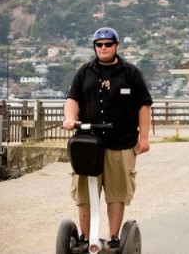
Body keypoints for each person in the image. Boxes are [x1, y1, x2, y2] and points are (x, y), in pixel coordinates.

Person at [62, 27, 153, 252]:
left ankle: (113, 238)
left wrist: (144, 138)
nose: (103, 48)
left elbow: (144, 105)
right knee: (83, 193)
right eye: (99, 44)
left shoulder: (130, 73)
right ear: (95, 47)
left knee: (116, 193)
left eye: (108, 44)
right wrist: (69, 118)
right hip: (87, 144)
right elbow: (72, 99)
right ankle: (84, 237)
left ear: (116, 46)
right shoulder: (85, 72)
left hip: (120, 143)